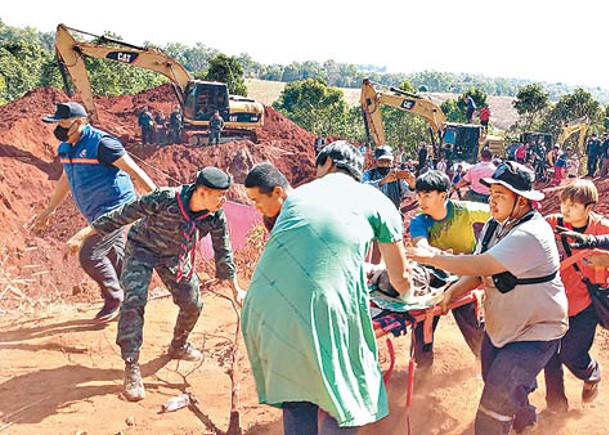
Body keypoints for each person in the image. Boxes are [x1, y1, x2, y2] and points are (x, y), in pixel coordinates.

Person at [242, 141, 413, 434]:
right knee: (349, 393)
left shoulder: (298, 196)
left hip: (262, 307)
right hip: (322, 308)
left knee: (299, 392)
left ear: (328, 163)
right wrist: (409, 296)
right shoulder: (376, 199)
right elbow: (401, 278)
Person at [409, 161, 568, 434]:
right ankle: (526, 423)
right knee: (496, 380)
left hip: (535, 330)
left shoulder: (531, 233)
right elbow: (480, 275)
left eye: (501, 195)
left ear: (521, 201)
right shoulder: (496, 225)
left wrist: (434, 257)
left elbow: (481, 264)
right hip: (503, 327)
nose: (492, 201)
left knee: (494, 403)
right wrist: (450, 293)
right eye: (491, 194)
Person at [68, 167, 245, 401]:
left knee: (193, 303)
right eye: (220, 195)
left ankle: (178, 345)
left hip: (174, 257)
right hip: (142, 249)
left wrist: (235, 289)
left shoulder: (214, 216)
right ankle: (131, 364)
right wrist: (83, 234)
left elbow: (224, 251)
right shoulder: (165, 198)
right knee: (134, 301)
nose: (223, 200)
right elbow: (124, 213)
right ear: (202, 192)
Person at [34, 102, 156, 322]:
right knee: (114, 255)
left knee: (90, 254)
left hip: (117, 209)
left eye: (64, 124)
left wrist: (158, 200)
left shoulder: (103, 144)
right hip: (93, 211)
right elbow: (66, 179)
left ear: (79, 123)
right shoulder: (65, 148)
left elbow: (135, 171)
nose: (59, 129)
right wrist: (50, 208)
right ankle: (133, 298)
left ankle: (114, 299)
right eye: (57, 124)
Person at [409, 170, 490, 371]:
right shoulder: (419, 221)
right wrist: (446, 257)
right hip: (433, 278)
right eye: (419, 195)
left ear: (443, 195)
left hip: (465, 277)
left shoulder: (464, 210)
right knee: (424, 321)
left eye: (427, 195)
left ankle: (484, 362)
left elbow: (496, 213)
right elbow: (421, 245)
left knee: (472, 322)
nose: (421, 200)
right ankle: (423, 369)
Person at [544, 180, 607, 412]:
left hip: (586, 305)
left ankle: (591, 372)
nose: (566, 209)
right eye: (564, 203)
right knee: (548, 354)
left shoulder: (602, 229)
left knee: (571, 353)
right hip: (552, 302)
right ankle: (556, 406)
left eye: (573, 205)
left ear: (589, 208)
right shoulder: (551, 223)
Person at [362, 145, 415, 212]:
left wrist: (412, 185)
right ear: (375, 161)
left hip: (393, 215)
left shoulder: (397, 176)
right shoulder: (369, 174)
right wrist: (383, 181)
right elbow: (364, 188)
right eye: (381, 161)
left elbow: (407, 193)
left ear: (392, 162)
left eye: (388, 161)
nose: (385, 164)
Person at [244, 162, 292, 231]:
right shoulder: (271, 219)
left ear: (277, 192)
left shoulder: (300, 216)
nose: (257, 208)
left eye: (257, 200)